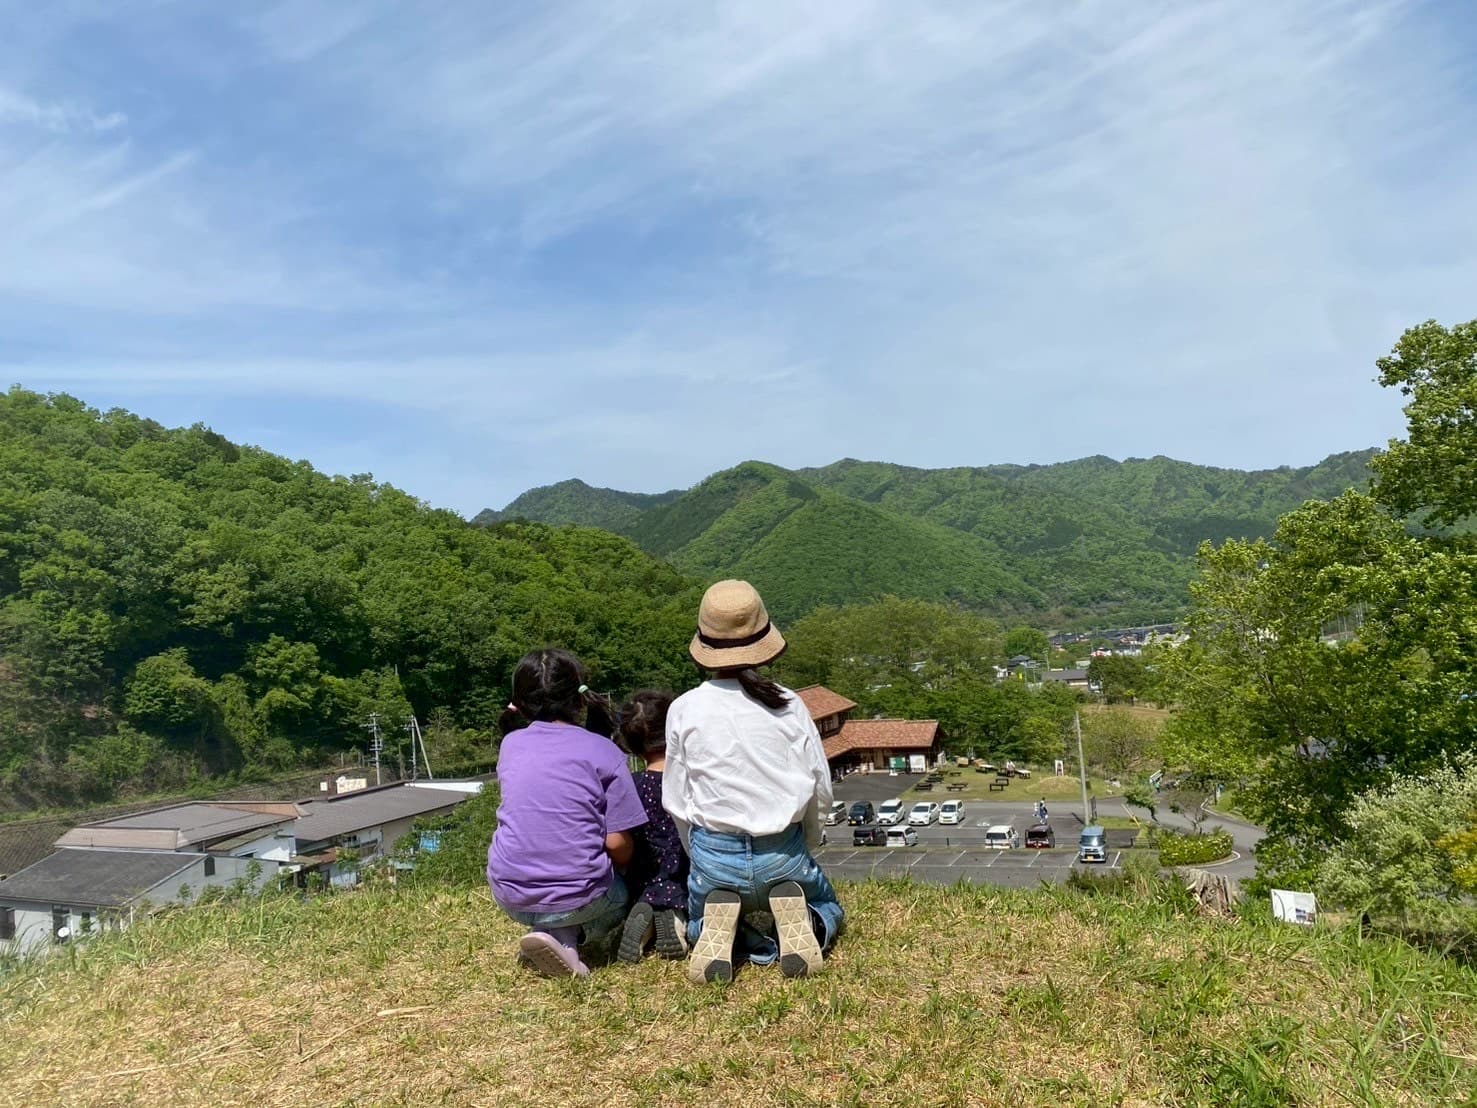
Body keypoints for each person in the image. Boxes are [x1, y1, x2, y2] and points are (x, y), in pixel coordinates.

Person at [664, 579, 844, 984]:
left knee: (698, 919)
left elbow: (676, 799)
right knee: (827, 905)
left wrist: (698, 854)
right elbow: (819, 784)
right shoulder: (788, 703)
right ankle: (808, 925)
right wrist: (809, 841)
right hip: (782, 850)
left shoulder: (684, 708)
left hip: (714, 852)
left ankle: (722, 930)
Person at [486, 648, 648, 978]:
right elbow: (617, 844)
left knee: (564, 899)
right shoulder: (603, 750)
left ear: (519, 701)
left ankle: (557, 938)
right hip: (582, 898)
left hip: (510, 894)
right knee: (621, 893)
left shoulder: (510, 745)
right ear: (578, 698)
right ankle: (567, 935)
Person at [614, 689, 690, 963]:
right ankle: (675, 917)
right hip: (684, 871)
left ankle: (643, 910)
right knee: (682, 892)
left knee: (646, 893)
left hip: (642, 875)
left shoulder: (630, 786)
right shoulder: (688, 780)